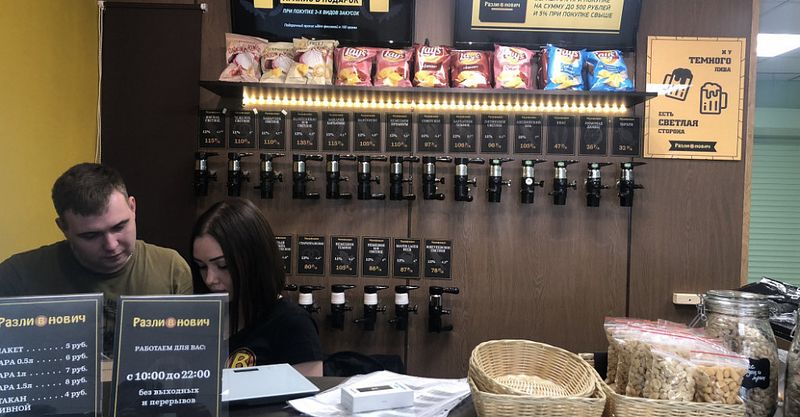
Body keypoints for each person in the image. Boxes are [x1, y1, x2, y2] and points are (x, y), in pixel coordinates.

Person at [0, 163, 193, 353]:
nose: (111, 245)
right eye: (91, 236)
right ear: (63, 228)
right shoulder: (17, 276)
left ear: (132, 207)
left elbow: (182, 356)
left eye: (119, 227)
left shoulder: (171, 269)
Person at [191, 198, 323, 377]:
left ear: (254, 259)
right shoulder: (201, 319)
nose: (209, 279)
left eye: (223, 265)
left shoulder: (293, 325)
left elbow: (309, 394)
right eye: (201, 266)